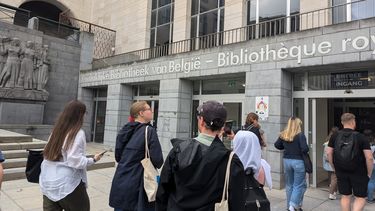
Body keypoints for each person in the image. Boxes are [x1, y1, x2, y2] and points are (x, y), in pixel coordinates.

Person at [156, 101, 245, 211]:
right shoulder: (231, 160)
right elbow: (237, 201)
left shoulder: (178, 151)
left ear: (201, 121)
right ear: (223, 125)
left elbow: (163, 191)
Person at [39, 100, 103, 211]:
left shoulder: (56, 131)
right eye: (84, 114)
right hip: (67, 185)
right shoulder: (77, 133)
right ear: (79, 115)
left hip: (47, 182)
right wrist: (93, 159)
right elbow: (75, 161)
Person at [109, 101, 163, 211]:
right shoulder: (149, 131)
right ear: (141, 113)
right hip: (139, 185)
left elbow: (118, 157)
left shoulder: (124, 130)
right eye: (148, 109)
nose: (152, 111)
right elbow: (158, 161)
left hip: (121, 182)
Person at [327, 113, 373, 211]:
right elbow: (369, 157)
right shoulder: (361, 137)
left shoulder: (334, 136)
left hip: (341, 170)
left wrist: (334, 167)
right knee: (360, 198)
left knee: (345, 196)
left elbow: (329, 153)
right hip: (359, 172)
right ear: (353, 122)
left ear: (342, 122)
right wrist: (369, 173)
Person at [274, 117, 308, 211]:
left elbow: (277, 145)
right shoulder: (300, 135)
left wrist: (286, 148)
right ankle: (293, 206)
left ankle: (291, 206)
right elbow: (305, 149)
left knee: (289, 185)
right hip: (298, 162)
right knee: (299, 185)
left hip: (287, 161)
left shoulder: (284, 134)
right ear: (297, 125)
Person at [322, 127, 339, 200]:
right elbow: (329, 154)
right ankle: (331, 194)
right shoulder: (333, 141)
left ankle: (334, 192)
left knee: (333, 178)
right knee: (334, 179)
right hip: (332, 162)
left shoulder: (328, 140)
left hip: (328, 163)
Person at [364, 129, 375, 203]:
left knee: (365, 180)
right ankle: (370, 198)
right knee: (372, 181)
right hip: (373, 163)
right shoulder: (373, 143)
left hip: (364, 164)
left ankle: (364, 194)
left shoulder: (362, 142)